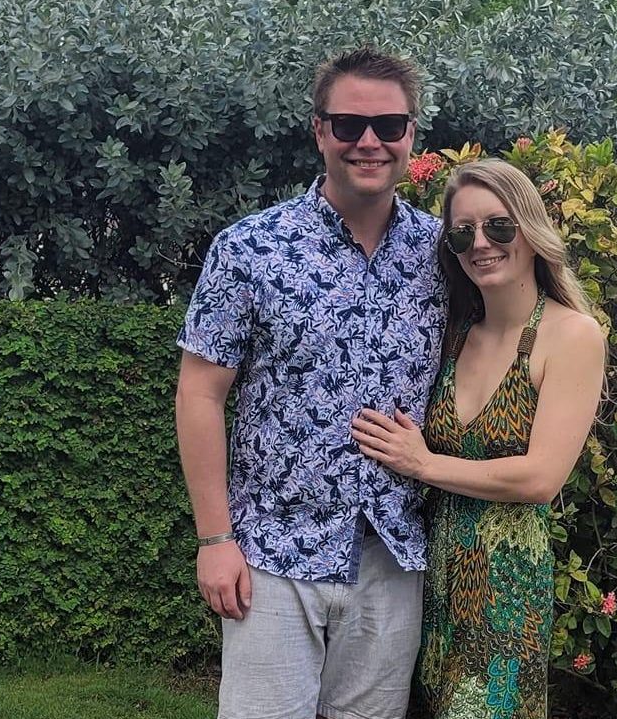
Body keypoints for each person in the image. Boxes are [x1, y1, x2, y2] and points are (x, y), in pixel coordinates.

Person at [175, 48, 445, 719]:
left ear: (412, 134)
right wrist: (215, 540)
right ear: (320, 130)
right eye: (350, 124)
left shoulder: (444, 255)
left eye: (389, 125)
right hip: (272, 554)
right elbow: (200, 394)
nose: (370, 142)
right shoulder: (249, 249)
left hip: (392, 554)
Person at [351, 158, 605, 719]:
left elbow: (540, 478)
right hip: (431, 573)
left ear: (531, 231)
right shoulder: (457, 331)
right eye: (463, 232)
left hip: (503, 586)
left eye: (499, 226)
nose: (481, 243)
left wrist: (422, 463)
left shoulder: (571, 335)